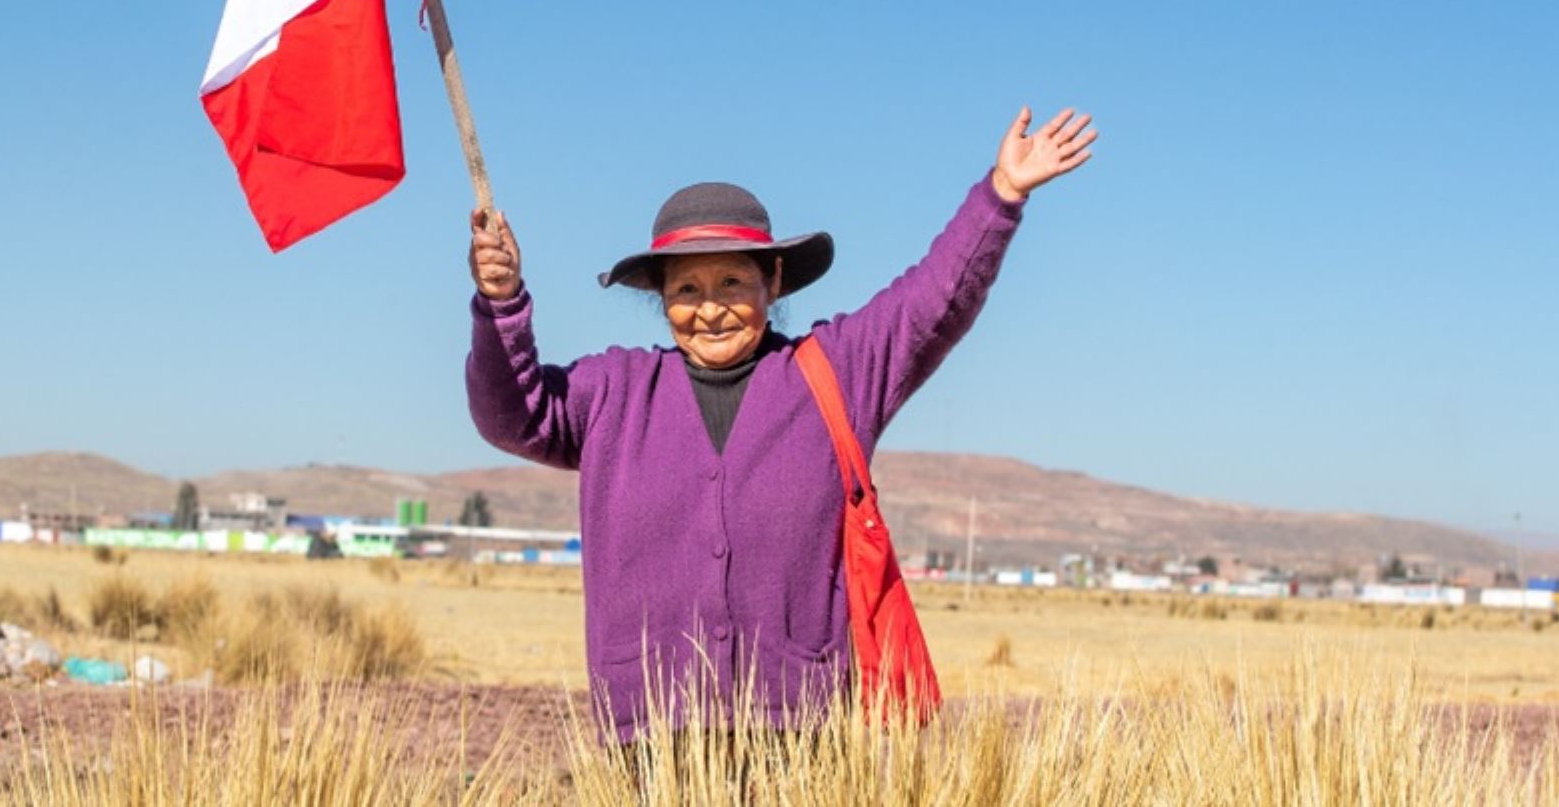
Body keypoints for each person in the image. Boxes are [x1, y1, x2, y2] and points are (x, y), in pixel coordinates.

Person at [465, 106, 1096, 740]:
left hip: (796, 734)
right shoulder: (613, 392)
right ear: (662, 298)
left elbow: (933, 304)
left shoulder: (835, 374)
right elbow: (510, 414)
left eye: (733, 282)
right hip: (646, 736)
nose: (710, 310)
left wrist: (1001, 195)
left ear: (773, 281)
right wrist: (502, 304)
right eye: (687, 290)